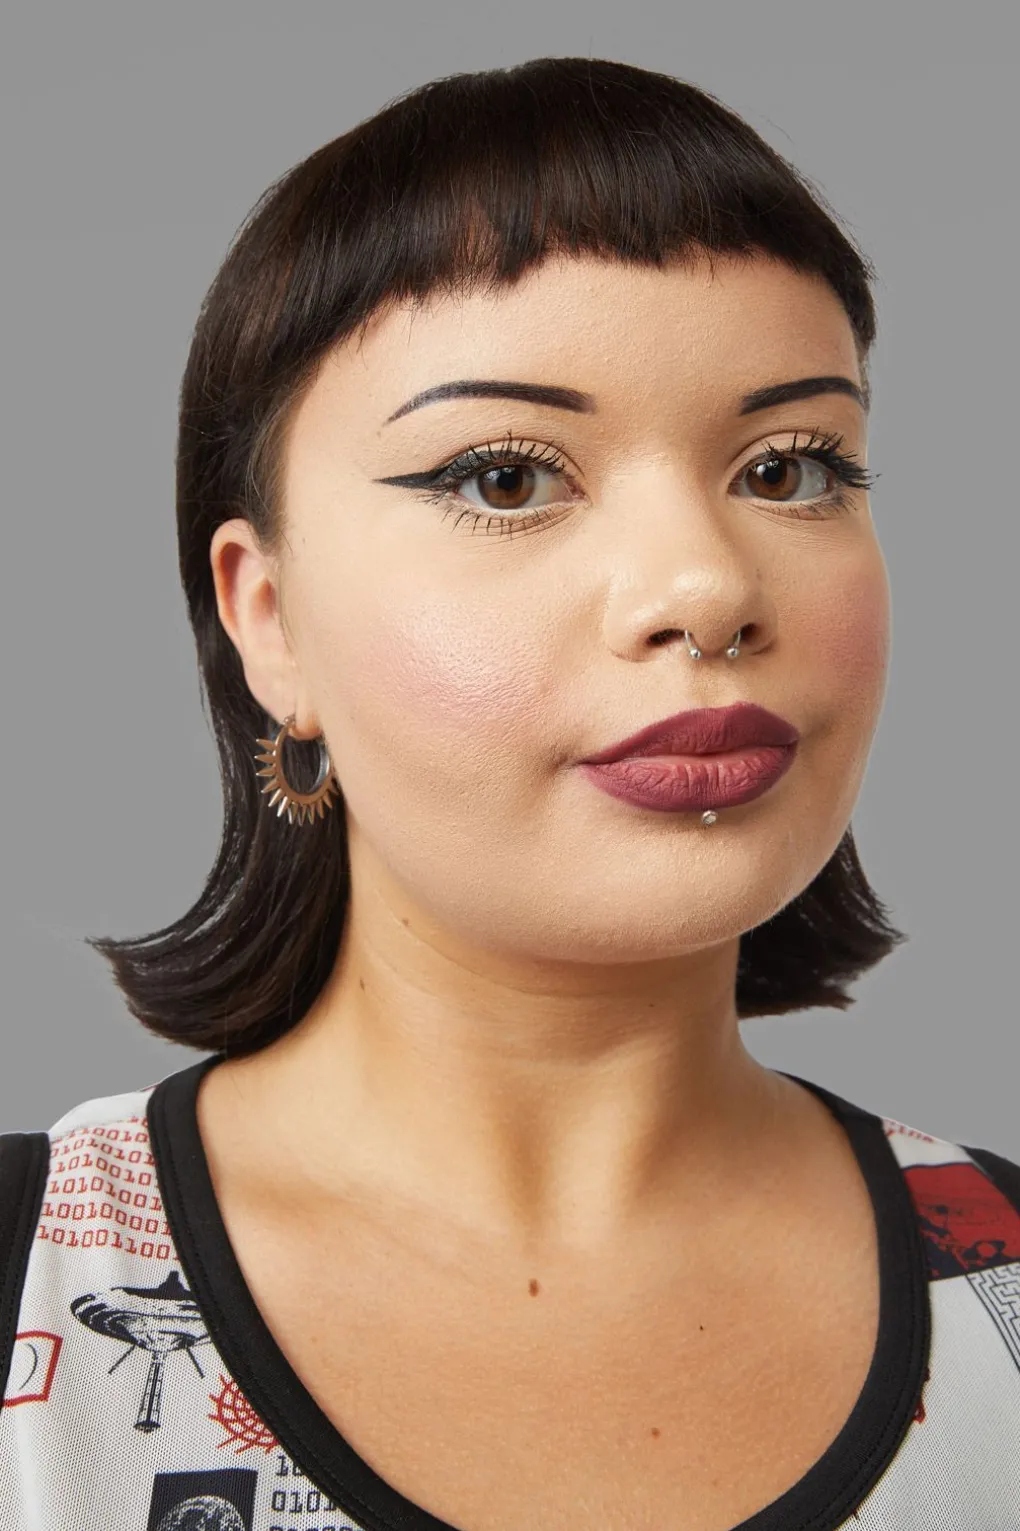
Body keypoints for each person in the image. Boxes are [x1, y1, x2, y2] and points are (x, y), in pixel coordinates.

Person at [1, 54, 1017, 1531]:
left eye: (792, 469)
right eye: (504, 479)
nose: (707, 586)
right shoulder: (36, 1288)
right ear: (268, 620)